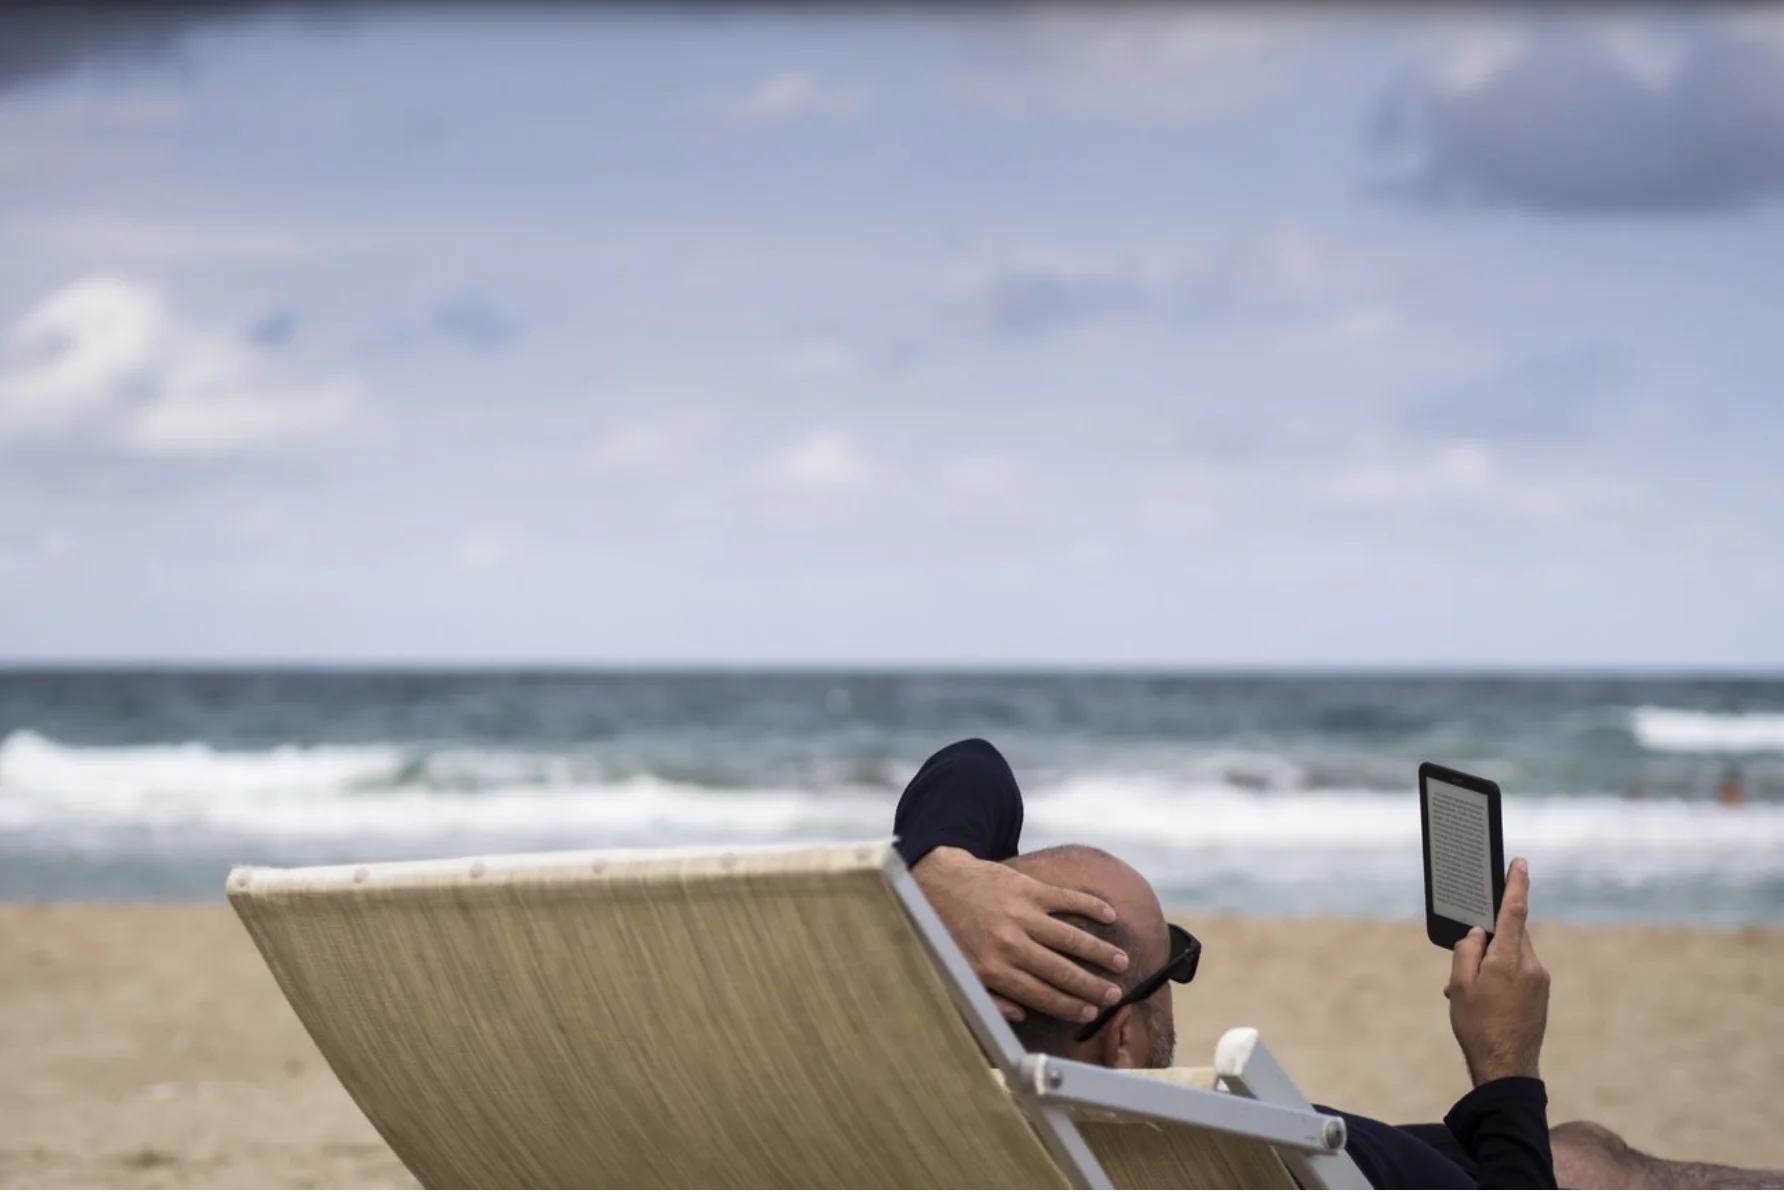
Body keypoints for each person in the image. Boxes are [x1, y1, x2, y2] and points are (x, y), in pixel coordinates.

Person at [898, 738, 1784, 1191]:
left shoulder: (947, 1102)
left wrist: (937, 871)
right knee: (1591, 1165)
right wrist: (1506, 1066)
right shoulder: (1259, 1156)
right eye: (1175, 964)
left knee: (1585, 1150)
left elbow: (971, 767)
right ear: (1122, 1041)